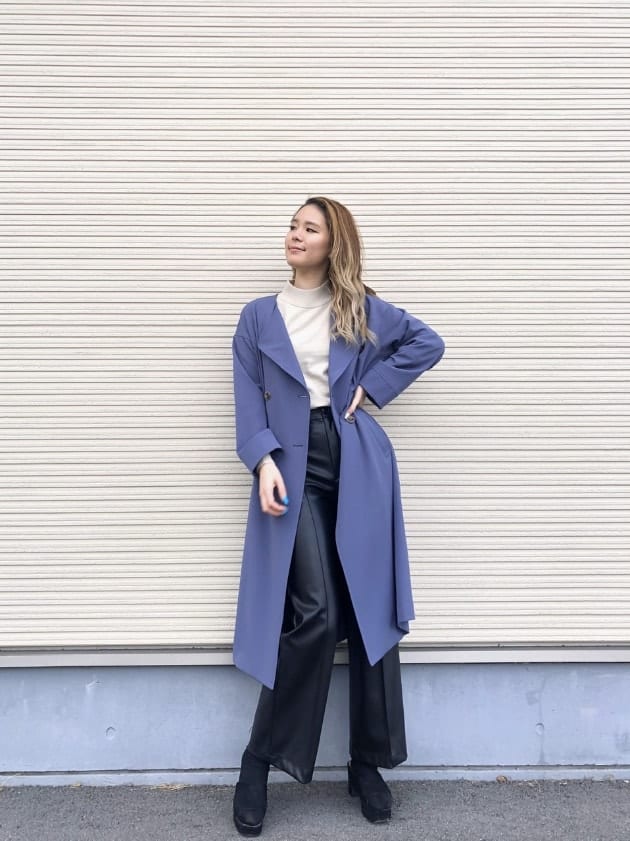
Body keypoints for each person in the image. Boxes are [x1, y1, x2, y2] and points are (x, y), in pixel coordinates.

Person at [231, 196, 445, 835]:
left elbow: (427, 343)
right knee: (318, 614)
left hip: (355, 460)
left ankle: (366, 764)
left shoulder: (358, 307)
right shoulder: (258, 316)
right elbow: (247, 402)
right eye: (293, 225)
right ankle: (257, 761)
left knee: (369, 611)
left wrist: (374, 387)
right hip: (291, 467)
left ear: (333, 244)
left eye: (310, 228)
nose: (295, 234)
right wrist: (262, 461)